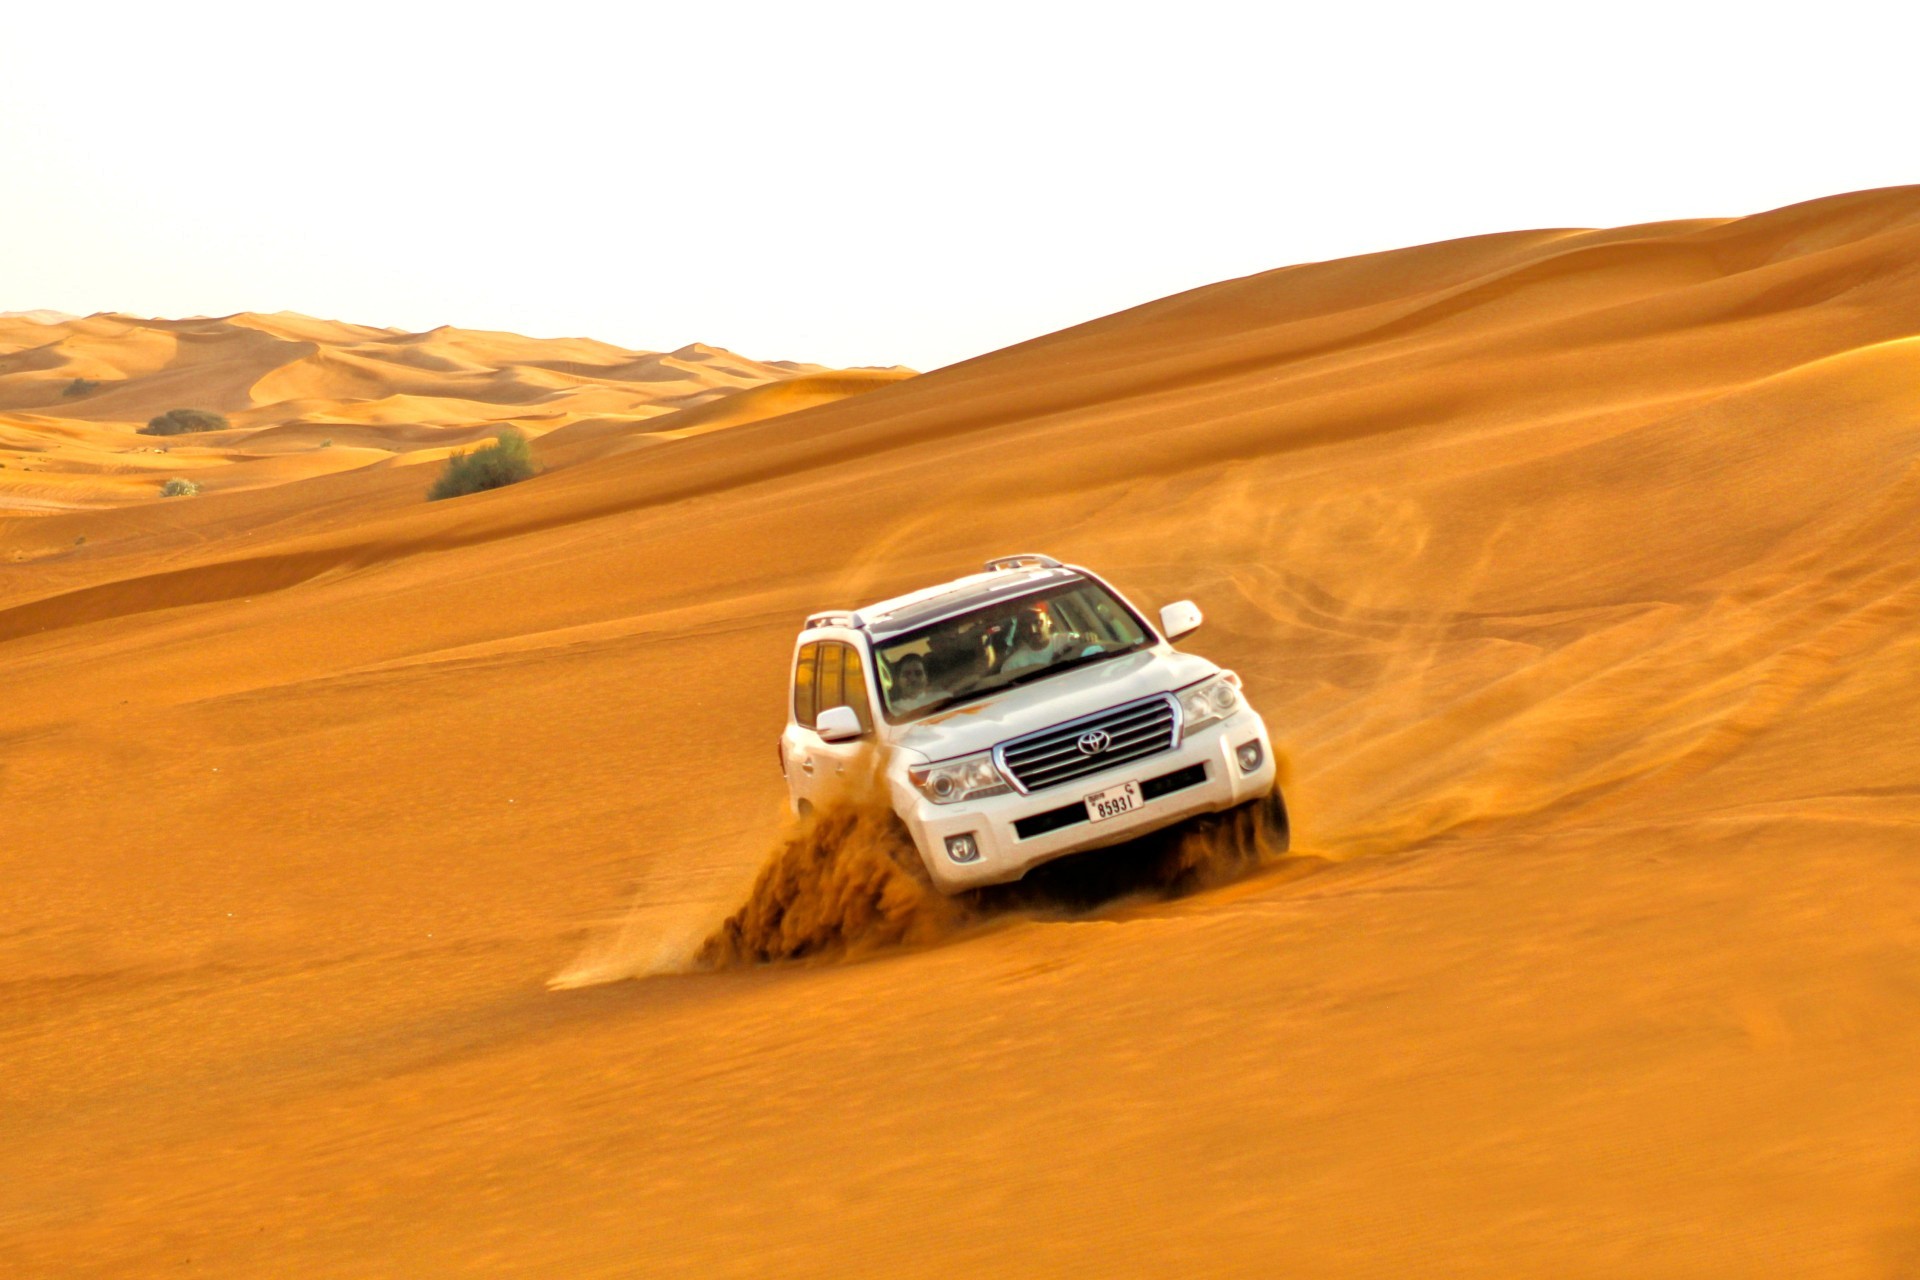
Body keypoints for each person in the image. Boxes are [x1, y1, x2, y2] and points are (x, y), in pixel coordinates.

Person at [999, 600, 1069, 675]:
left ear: (1049, 621)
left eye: (1038, 622)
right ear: (1019, 629)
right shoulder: (1013, 666)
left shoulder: (1067, 641)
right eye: (1026, 625)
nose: (1033, 630)